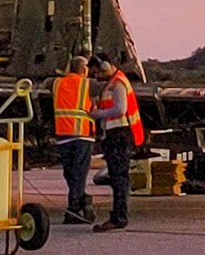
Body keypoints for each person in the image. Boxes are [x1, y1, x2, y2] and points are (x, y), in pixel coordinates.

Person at [88, 51, 145, 230]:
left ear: (104, 65)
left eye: (97, 71)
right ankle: (118, 215)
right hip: (114, 134)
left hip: (119, 134)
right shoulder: (112, 83)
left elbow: (120, 109)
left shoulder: (118, 83)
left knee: (119, 177)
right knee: (117, 177)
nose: (96, 75)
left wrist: (98, 114)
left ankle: (119, 216)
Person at [52, 54, 96, 224]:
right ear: (84, 70)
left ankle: (79, 203)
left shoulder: (57, 83)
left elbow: (47, 82)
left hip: (64, 136)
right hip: (83, 136)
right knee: (79, 174)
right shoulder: (88, 84)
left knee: (70, 173)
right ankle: (74, 209)